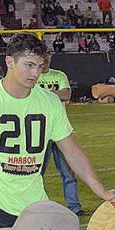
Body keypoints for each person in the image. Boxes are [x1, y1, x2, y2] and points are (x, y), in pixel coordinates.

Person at [0, 34, 115, 230]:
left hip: (35, 207)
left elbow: (71, 150)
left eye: (40, 66)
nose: (35, 73)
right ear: (9, 62)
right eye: (29, 65)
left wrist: (101, 190)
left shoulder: (49, 102)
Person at [35, 55, 84, 216]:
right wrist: (55, 93)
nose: (46, 60)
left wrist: (44, 94)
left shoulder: (59, 75)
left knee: (69, 172)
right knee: (35, 173)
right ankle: (35, 207)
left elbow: (67, 95)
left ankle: (74, 207)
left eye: (48, 56)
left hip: (60, 129)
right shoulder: (34, 75)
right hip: (41, 131)